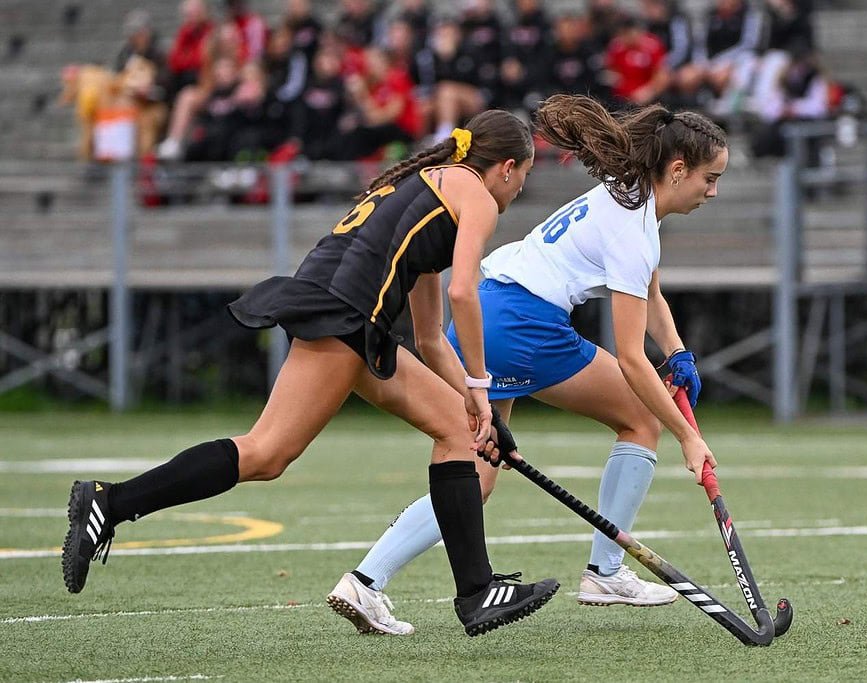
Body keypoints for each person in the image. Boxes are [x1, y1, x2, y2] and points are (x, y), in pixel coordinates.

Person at [60, 109, 559, 637]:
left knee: (457, 431)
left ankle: (477, 592)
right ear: (506, 167)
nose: (518, 191)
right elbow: (466, 293)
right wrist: (482, 387)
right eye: (524, 178)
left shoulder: (430, 189)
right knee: (266, 452)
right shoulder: (476, 192)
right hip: (345, 313)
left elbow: (432, 337)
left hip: (350, 317)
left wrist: (479, 407)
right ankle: (110, 503)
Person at [327, 94, 724, 635]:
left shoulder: (626, 197)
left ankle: (364, 582)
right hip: (525, 325)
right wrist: (687, 436)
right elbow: (632, 358)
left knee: (474, 473)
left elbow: (650, 292)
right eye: (709, 179)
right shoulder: (633, 229)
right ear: (678, 171)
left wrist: (677, 352)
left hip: (492, 309)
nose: (713, 192)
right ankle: (605, 573)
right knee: (641, 420)